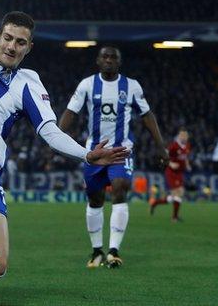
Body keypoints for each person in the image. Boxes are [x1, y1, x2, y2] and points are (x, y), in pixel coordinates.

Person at [0, 7, 129, 283]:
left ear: (29, 47)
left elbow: (50, 131)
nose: (12, 46)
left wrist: (86, 155)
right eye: (8, 38)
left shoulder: (28, 83)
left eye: (20, 42)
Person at [58, 46, 169, 269]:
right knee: (95, 199)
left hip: (122, 151)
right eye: (105, 57)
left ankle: (114, 251)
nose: (109, 60)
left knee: (120, 188)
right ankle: (97, 250)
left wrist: (161, 147)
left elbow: (147, 117)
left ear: (119, 62)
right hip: (95, 152)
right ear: (98, 61)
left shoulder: (131, 86)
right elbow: (70, 112)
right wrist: (56, 139)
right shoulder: (87, 85)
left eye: (113, 57)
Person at [150, 128, 191, 222]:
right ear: (179, 136)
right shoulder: (174, 146)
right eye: (182, 135)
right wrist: (171, 164)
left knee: (175, 196)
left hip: (180, 172)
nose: (184, 137)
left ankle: (155, 203)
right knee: (179, 192)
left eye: (186, 136)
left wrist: (187, 165)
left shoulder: (188, 146)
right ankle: (174, 217)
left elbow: (185, 157)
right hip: (171, 172)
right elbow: (163, 157)